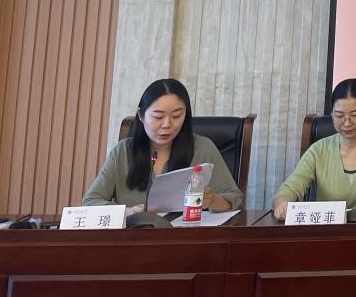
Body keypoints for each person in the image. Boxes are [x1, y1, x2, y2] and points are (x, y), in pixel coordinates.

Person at [83, 78, 243, 212]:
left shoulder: (202, 148)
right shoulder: (123, 152)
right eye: (158, 117)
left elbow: (235, 199)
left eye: (177, 116)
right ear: (141, 115)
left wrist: (211, 200)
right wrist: (128, 212)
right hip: (135, 236)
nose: (167, 124)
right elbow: (91, 201)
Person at [272, 77, 356, 220]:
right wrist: (282, 203)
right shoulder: (319, 150)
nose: (347, 123)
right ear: (331, 114)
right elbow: (290, 188)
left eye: (355, 115)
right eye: (339, 115)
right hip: (327, 230)